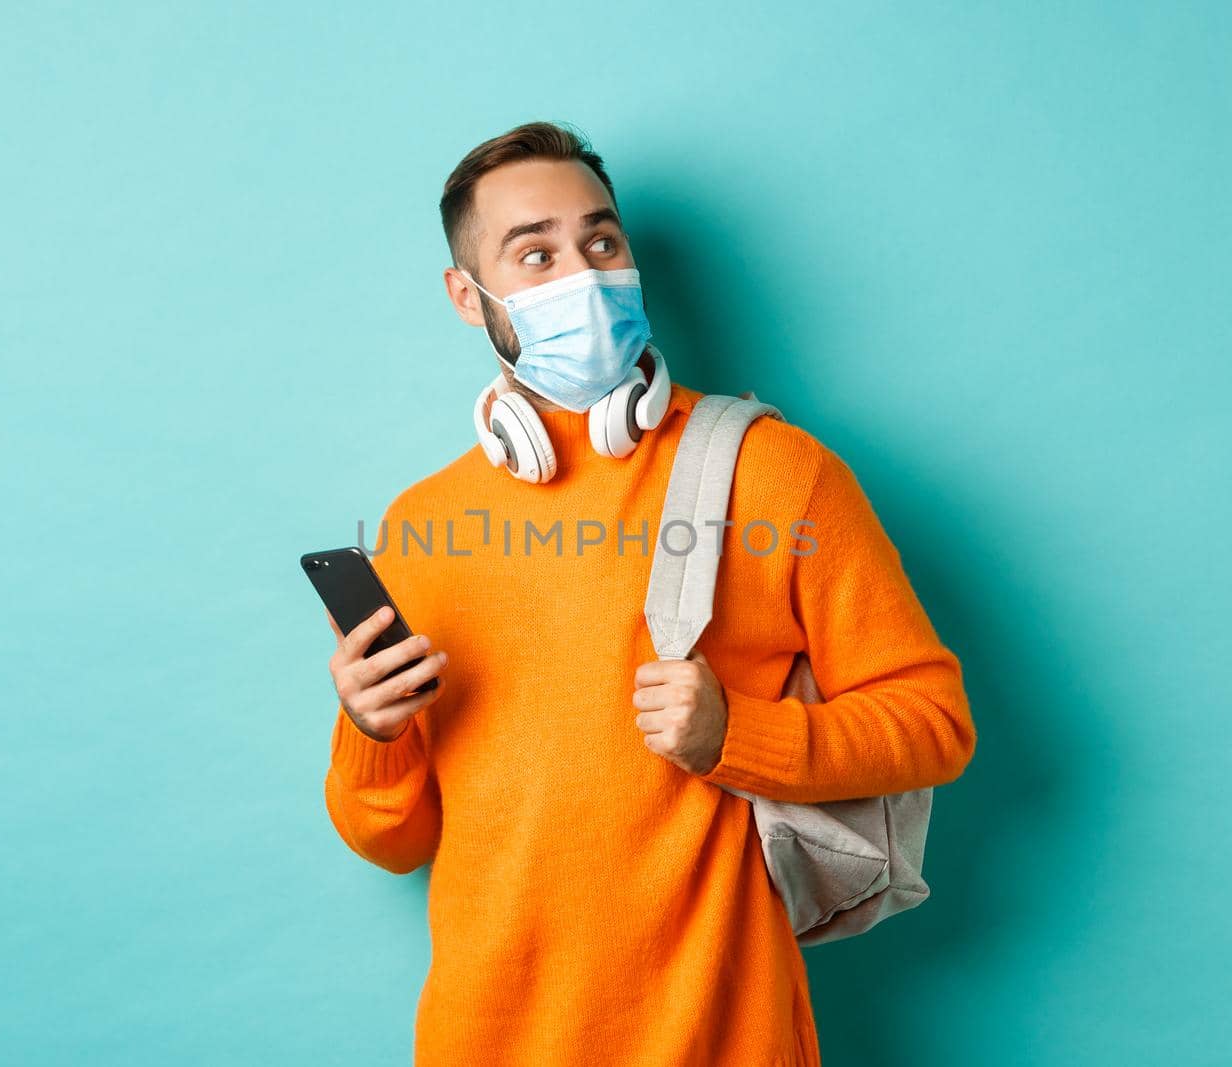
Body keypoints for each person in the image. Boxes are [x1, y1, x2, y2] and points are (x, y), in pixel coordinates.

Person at [321, 120, 976, 1067]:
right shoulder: (423, 523)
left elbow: (934, 721)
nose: (582, 275)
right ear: (470, 297)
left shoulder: (774, 471)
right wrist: (372, 734)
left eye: (602, 242)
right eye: (534, 252)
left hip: (722, 1035)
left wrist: (736, 736)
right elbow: (393, 842)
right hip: (486, 1037)